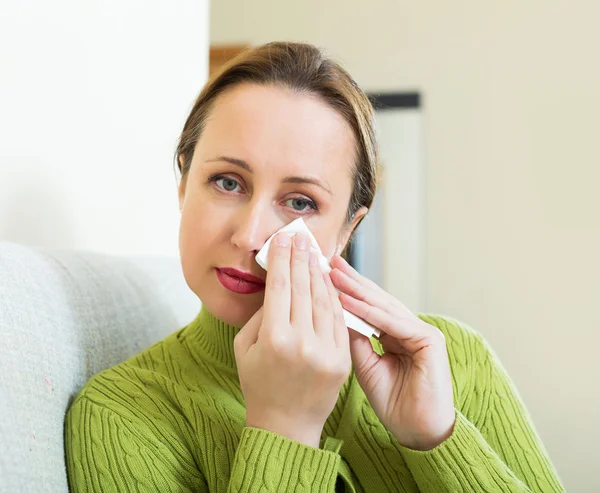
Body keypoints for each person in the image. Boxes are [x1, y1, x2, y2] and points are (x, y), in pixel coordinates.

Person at [64, 41, 565, 492]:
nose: (249, 235)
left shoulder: (454, 361)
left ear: (348, 229)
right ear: (182, 187)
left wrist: (437, 440)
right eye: (227, 183)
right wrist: (286, 428)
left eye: (300, 202)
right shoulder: (118, 416)